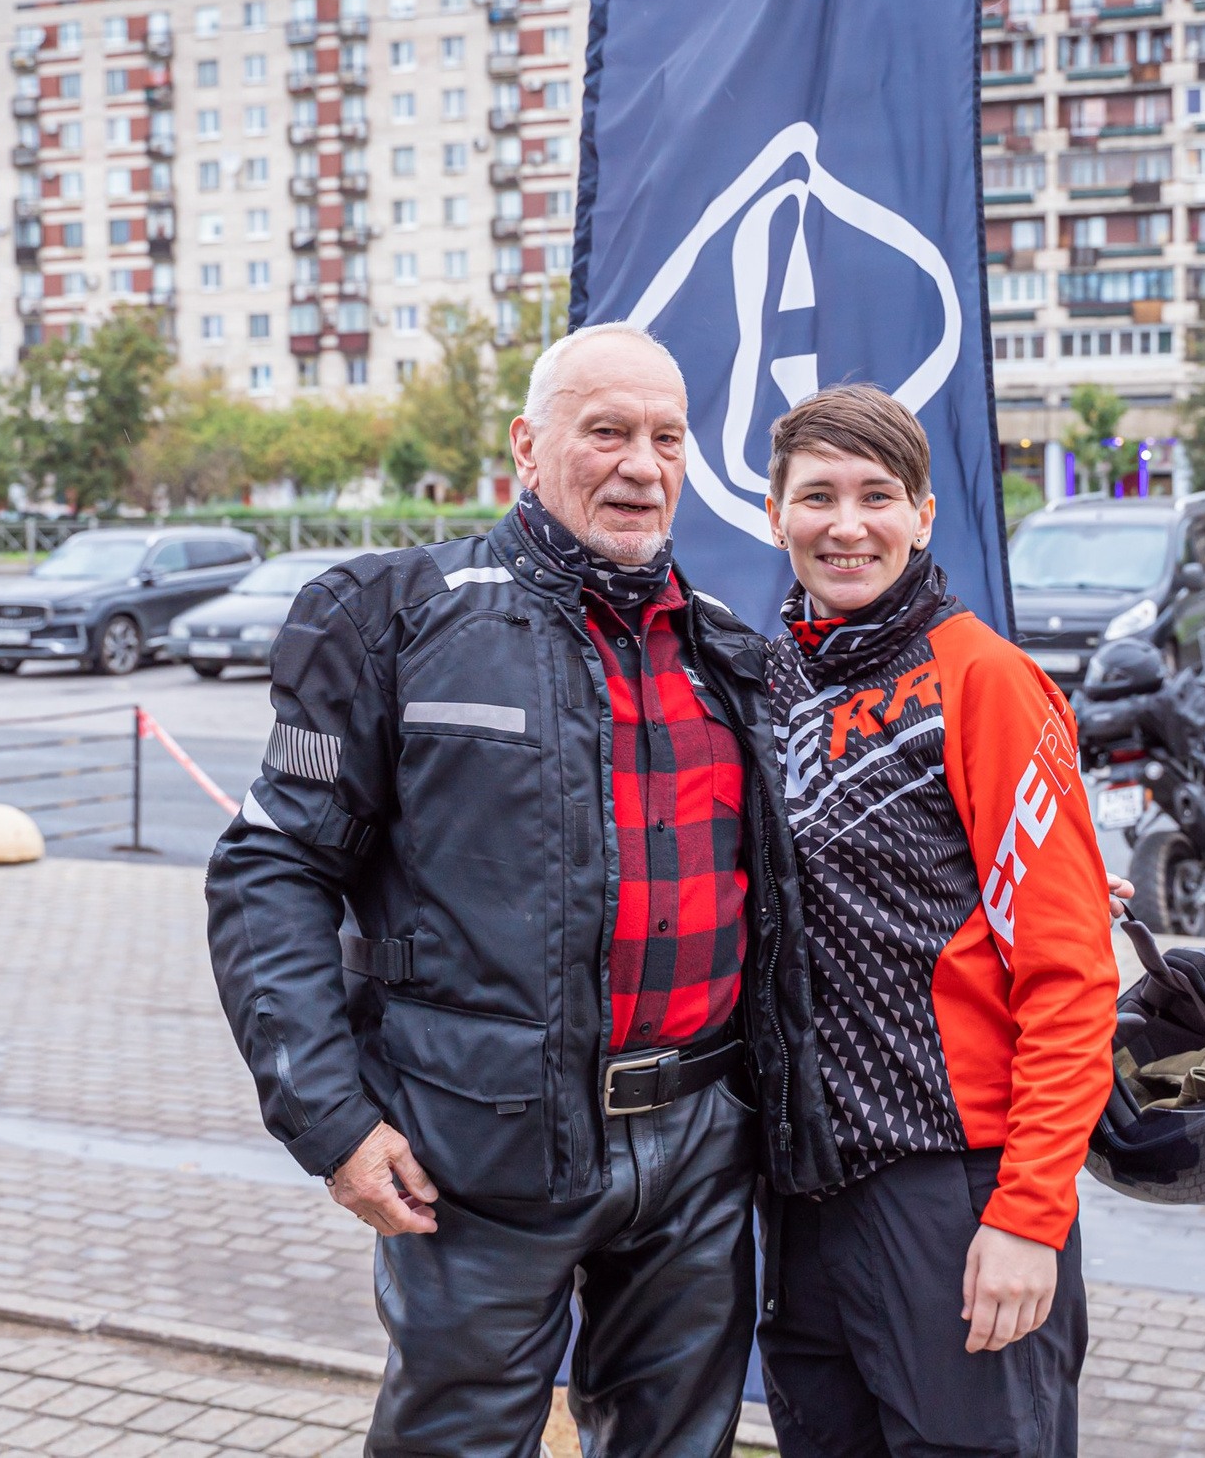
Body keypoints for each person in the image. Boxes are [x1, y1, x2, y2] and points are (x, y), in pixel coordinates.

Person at [204, 324, 836, 1458]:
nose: (642, 465)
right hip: (476, 1155)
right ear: (527, 447)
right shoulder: (394, 617)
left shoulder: (731, 657)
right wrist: (333, 1122)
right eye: (607, 432)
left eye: (666, 438)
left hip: (698, 1151)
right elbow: (273, 868)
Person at [757, 385, 1126, 1458]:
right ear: (774, 513)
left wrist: (1028, 1212)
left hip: (954, 1187)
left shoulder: (987, 681)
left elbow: (1069, 975)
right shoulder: (768, 680)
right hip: (805, 1195)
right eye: (816, 495)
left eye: (877, 496)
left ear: (923, 515)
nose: (846, 524)